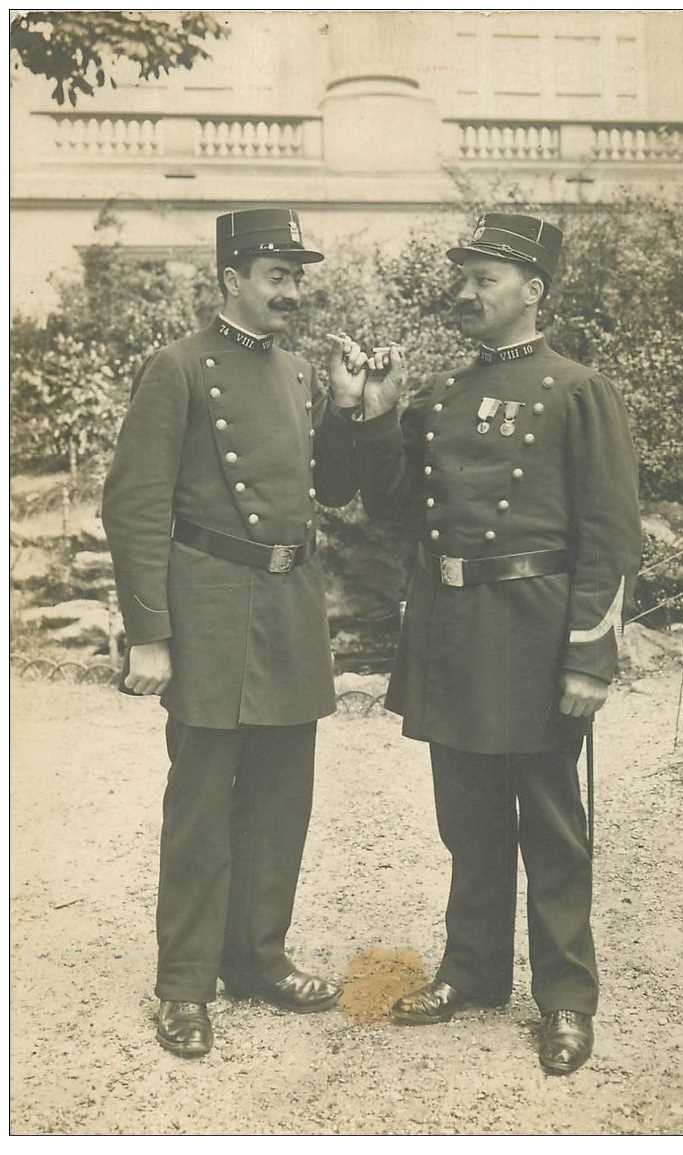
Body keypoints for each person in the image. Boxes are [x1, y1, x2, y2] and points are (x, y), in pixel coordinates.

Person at [347, 212, 642, 1074]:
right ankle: (472, 970)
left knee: (551, 824)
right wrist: (376, 419)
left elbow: (611, 536)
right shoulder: (438, 396)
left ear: (533, 291)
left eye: (485, 278)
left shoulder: (579, 390)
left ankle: (566, 998)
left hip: (537, 633)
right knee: (467, 820)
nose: (465, 293)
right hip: (453, 631)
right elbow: (394, 511)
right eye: (463, 276)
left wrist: (590, 654)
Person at [102, 207, 366, 1058]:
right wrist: (149, 631)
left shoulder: (294, 371)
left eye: (298, 274)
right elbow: (135, 503)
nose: (293, 290)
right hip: (211, 603)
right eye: (276, 275)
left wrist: (351, 415)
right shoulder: (177, 368)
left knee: (284, 794)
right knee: (202, 802)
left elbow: (317, 486)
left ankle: (256, 958)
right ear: (230, 280)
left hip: (288, 604)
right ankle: (183, 983)